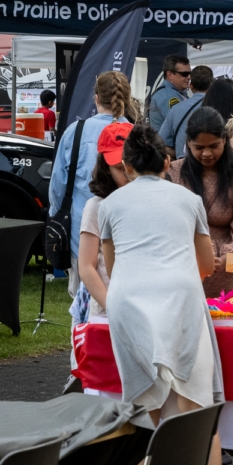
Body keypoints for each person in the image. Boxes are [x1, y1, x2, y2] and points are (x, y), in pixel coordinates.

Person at [98, 122, 230, 465]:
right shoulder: (187, 199)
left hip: (129, 302)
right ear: (168, 162)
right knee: (198, 410)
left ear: (127, 166)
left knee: (145, 408)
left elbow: (113, 268)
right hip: (180, 297)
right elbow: (207, 264)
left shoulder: (110, 205)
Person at [50, 71, 134, 297]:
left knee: (83, 306)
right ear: (127, 99)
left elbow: (57, 187)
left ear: (96, 99)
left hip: (83, 233)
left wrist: (57, 216)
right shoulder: (139, 136)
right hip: (129, 233)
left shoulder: (74, 132)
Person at [168, 108, 233, 297]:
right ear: (189, 144)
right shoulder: (173, 174)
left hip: (230, 284)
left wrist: (223, 261)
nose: (207, 153)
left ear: (225, 141)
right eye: (199, 148)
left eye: (214, 146)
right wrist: (198, 257)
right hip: (184, 280)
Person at [72, 122, 132, 326]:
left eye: (131, 166)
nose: (127, 174)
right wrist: (111, 305)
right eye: (119, 168)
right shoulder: (96, 206)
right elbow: (86, 266)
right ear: (105, 168)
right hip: (104, 311)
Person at [161, 65, 213, 158]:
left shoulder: (175, 109)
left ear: (191, 86)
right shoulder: (217, 107)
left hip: (184, 165)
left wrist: (180, 155)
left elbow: (162, 143)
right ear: (212, 85)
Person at [147, 55, 191, 132]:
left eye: (190, 73)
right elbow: (180, 125)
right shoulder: (168, 96)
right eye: (184, 74)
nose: (189, 77)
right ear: (170, 75)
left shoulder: (176, 92)